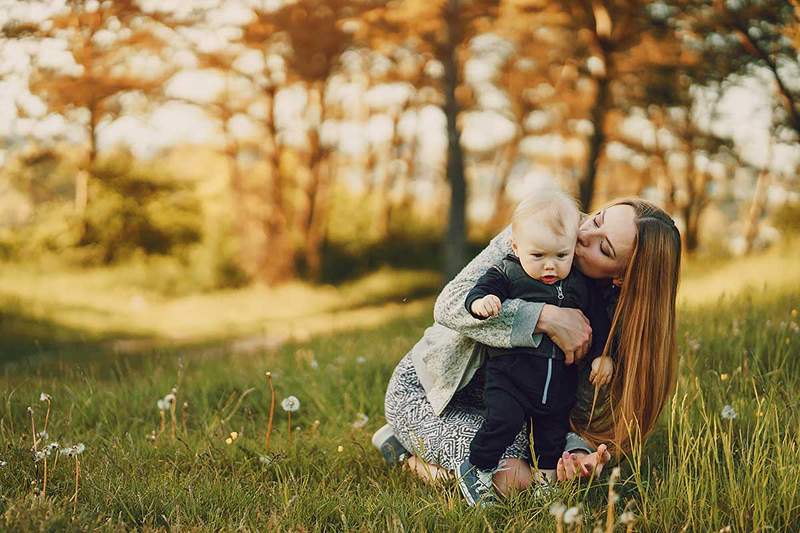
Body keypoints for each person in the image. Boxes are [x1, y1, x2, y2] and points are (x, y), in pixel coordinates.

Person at [372, 196, 681, 497]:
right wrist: (544, 318)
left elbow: (572, 406)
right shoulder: (541, 230)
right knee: (497, 469)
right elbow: (450, 304)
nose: (584, 234)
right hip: (433, 392)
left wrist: (577, 454)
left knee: (530, 469)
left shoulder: (609, 320)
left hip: (509, 409)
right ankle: (409, 460)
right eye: (597, 219)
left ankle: (417, 455)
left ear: (621, 278)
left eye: (604, 248)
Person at [458, 190, 613, 506]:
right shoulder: (508, 271)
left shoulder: (579, 285)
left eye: (560, 255)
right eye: (538, 256)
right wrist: (482, 302)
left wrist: (602, 356)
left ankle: (547, 487)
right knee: (503, 420)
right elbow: (477, 291)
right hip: (510, 378)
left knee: (551, 438)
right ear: (516, 247)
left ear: (572, 249)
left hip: (557, 385)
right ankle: (478, 467)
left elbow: (596, 322)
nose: (550, 267)